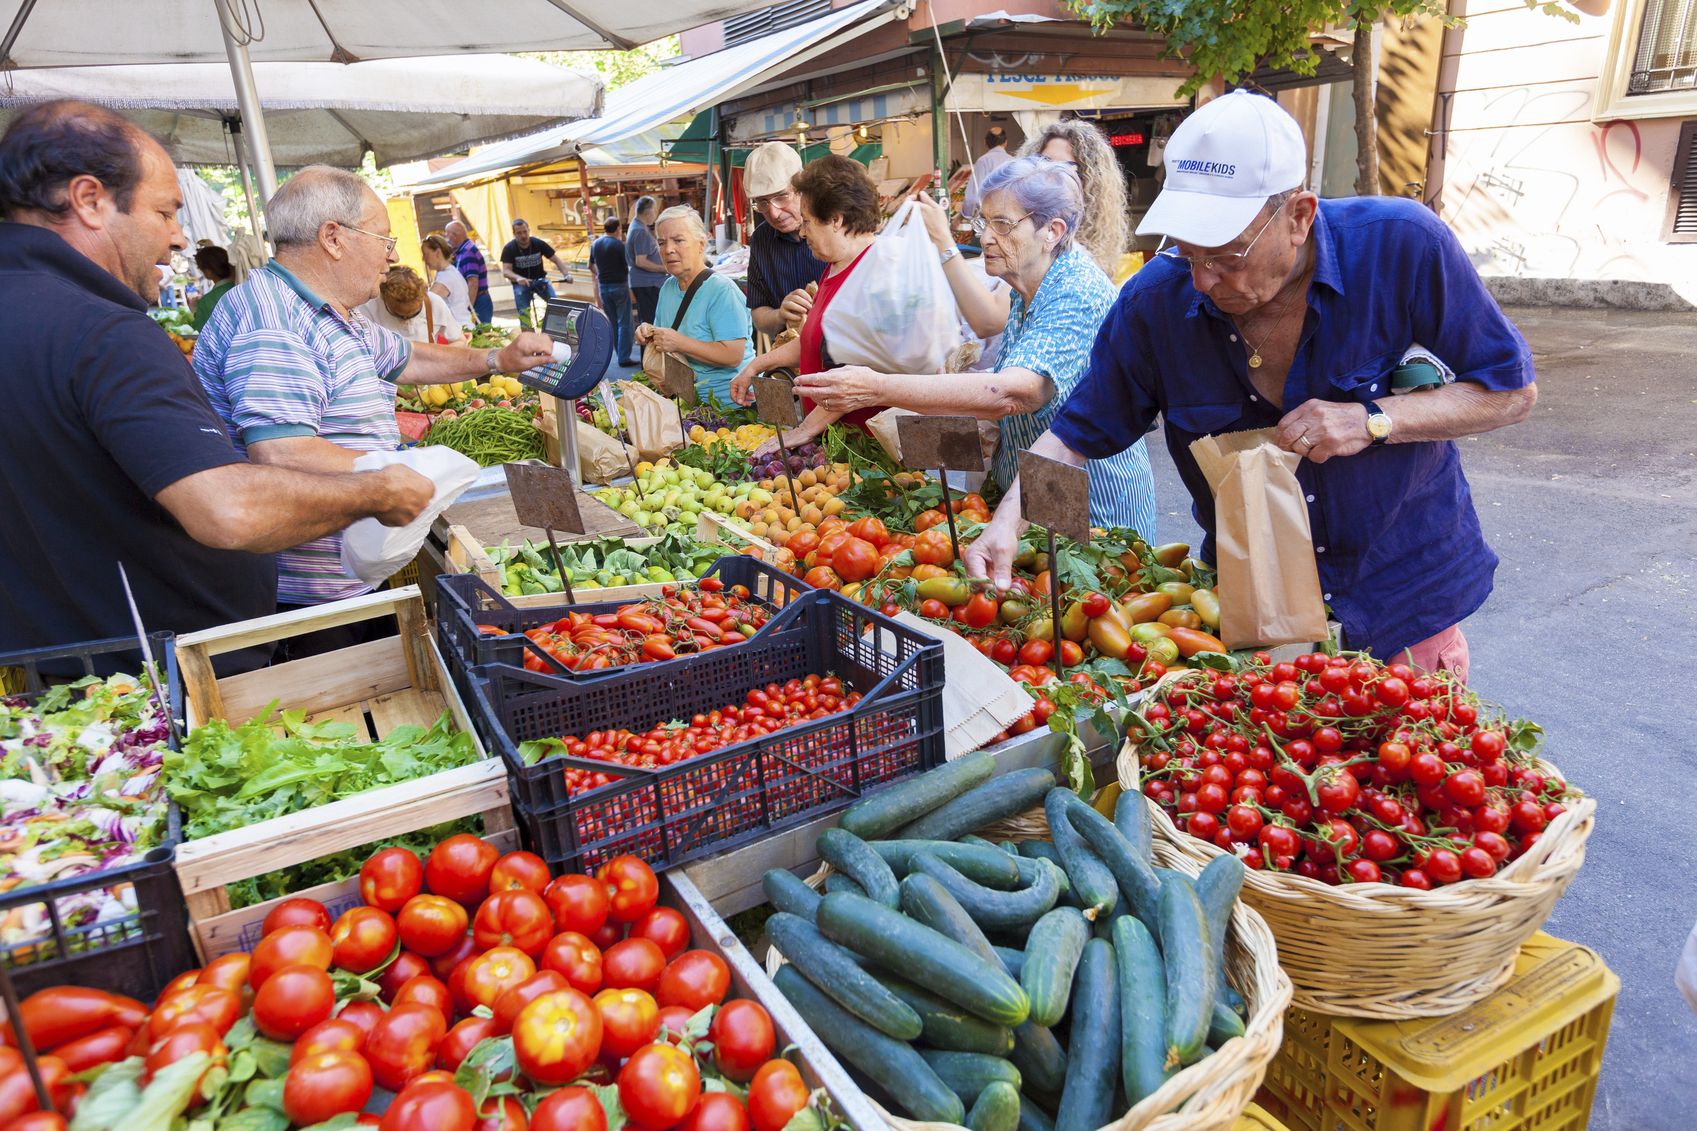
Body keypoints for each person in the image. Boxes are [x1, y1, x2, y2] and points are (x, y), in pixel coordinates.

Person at [966, 90, 1540, 679]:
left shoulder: (1401, 246)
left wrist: (1373, 419)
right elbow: (1078, 429)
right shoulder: (1155, 302)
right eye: (1189, 252)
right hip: (1254, 606)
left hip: (1401, 596)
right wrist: (1009, 519)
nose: (1206, 278)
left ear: (1299, 216)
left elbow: (1509, 390)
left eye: (1228, 255)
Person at [0, 101, 432, 670]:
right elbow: (227, 510)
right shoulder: (104, 332)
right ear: (89, 200)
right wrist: (379, 492)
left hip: (63, 679)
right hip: (165, 674)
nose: (180, 239)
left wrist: (495, 356)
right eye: (164, 212)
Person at [194, 164, 555, 645]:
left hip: (346, 574)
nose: (393, 255)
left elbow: (407, 357)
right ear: (333, 238)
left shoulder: (326, 309)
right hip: (308, 601)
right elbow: (282, 454)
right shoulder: (274, 323)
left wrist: (497, 358)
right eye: (384, 239)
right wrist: (398, 472)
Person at [794, 157, 1158, 535]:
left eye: (1003, 224)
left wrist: (877, 388)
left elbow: (1017, 392)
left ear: (1052, 231)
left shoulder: (1074, 288)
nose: (984, 237)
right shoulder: (1025, 282)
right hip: (1027, 494)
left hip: (1089, 508)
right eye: (984, 222)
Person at [729, 155, 883, 445]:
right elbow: (815, 340)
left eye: (808, 221)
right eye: (762, 202)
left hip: (862, 446)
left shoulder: (870, 274)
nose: (801, 230)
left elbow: (850, 373)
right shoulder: (832, 266)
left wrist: (803, 430)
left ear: (835, 219)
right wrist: (757, 365)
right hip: (832, 437)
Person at [634, 205, 754, 404]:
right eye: (662, 243)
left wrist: (679, 342)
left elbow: (733, 355)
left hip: (727, 408)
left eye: (678, 240)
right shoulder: (668, 288)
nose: (668, 249)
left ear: (701, 244)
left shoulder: (722, 291)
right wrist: (649, 332)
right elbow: (665, 338)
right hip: (683, 401)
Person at [1018, 119, 1129, 277]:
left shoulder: (1079, 257)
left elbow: (995, 303)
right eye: (1043, 162)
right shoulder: (1013, 227)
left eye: (1067, 167)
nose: (1052, 174)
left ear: (1088, 181)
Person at [742, 141, 826, 337]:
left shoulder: (831, 227)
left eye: (781, 197)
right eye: (762, 203)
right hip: (790, 359)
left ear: (802, 184)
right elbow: (759, 314)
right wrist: (781, 314)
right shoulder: (762, 238)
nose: (774, 213)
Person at [357, 265, 462, 345]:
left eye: (413, 315)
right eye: (397, 315)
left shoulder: (434, 303)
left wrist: (441, 357)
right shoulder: (368, 308)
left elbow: (460, 340)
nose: (405, 321)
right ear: (384, 299)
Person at [501, 219, 571, 327]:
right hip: (521, 284)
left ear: (529, 230)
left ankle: (558, 328)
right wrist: (518, 278)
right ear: (514, 234)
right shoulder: (509, 248)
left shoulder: (538, 243)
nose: (523, 235)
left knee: (556, 305)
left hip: (539, 280)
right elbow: (506, 271)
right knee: (524, 313)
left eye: (525, 231)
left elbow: (556, 260)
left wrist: (566, 274)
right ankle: (528, 336)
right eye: (519, 233)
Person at [589, 216, 637, 367]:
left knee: (613, 323)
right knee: (625, 323)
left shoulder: (595, 244)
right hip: (619, 286)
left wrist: (602, 273)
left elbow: (590, 266)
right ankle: (623, 357)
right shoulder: (618, 245)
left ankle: (618, 353)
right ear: (618, 229)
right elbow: (628, 265)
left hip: (603, 287)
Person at [625, 195, 666, 329]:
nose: (655, 216)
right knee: (650, 325)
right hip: (647, 285)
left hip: (645, 284)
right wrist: (663, 268)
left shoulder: (637, 226)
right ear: (647, 212)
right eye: (654, 212)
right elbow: (641, 262)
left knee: (649, 323)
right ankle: (649, 350)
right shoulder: (640, 231)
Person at [444, 219, 491, 326]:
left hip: (478, 301)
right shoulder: (462, 250)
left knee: (482, 338)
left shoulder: (468, 251)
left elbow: (473, 284)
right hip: (477, 299)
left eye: (448, 235)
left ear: (454, 235)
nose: (448, 238)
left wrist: (468, 309)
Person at [421, 233, 472, 330]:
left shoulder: (445, 277)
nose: (423, 259)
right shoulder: (451, 271)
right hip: (464, 325)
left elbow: (424, 304)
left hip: (457, 329)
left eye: (425, 254)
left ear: (438, 253)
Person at [961, 126, 1013, 220]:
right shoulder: (1013, 162)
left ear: (985, 143)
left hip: (988, 219)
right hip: (1011, 218)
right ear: (1005, 143)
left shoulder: (983, 161)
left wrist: (966, 215)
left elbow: (972, 197)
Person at [189, 244, 234, 332]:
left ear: (208, 272)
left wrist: (196, 313)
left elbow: (200, 331)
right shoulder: (242, 286)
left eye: (200, 268)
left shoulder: (207, 300)